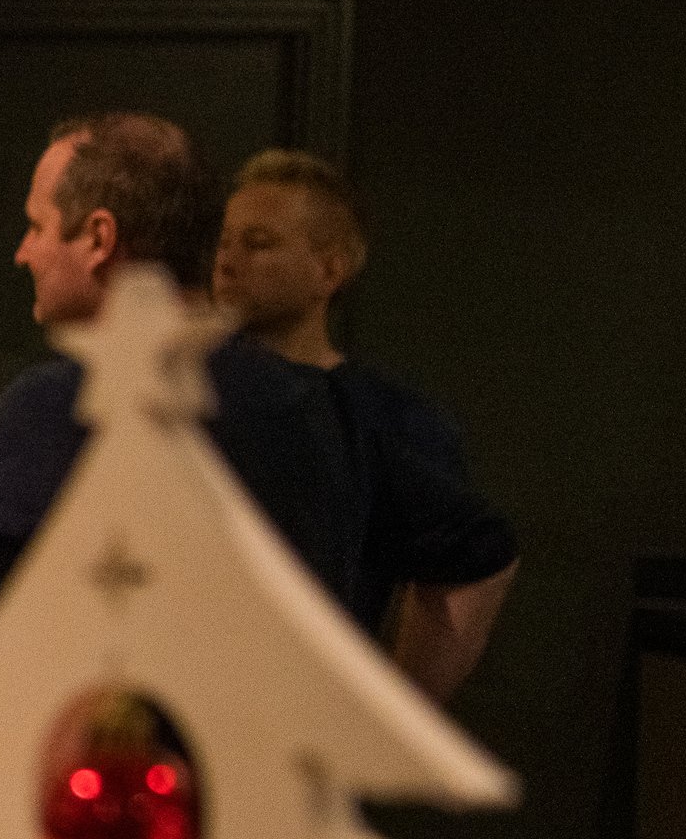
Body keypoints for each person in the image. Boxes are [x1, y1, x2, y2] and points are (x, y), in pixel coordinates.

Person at [0, 114, 512, 795]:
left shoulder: (70, 404)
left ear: (98, 239)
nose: (23, 253)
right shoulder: (344, 412)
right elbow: (480, 564)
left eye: (37, 227)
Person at [214, 148, 516, 695]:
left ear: (329, 270)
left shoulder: (381, 416)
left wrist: (392, 708)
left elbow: (477, 559)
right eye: (224, 241)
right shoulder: (183, 389)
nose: (228, 261)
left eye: (258, 243)